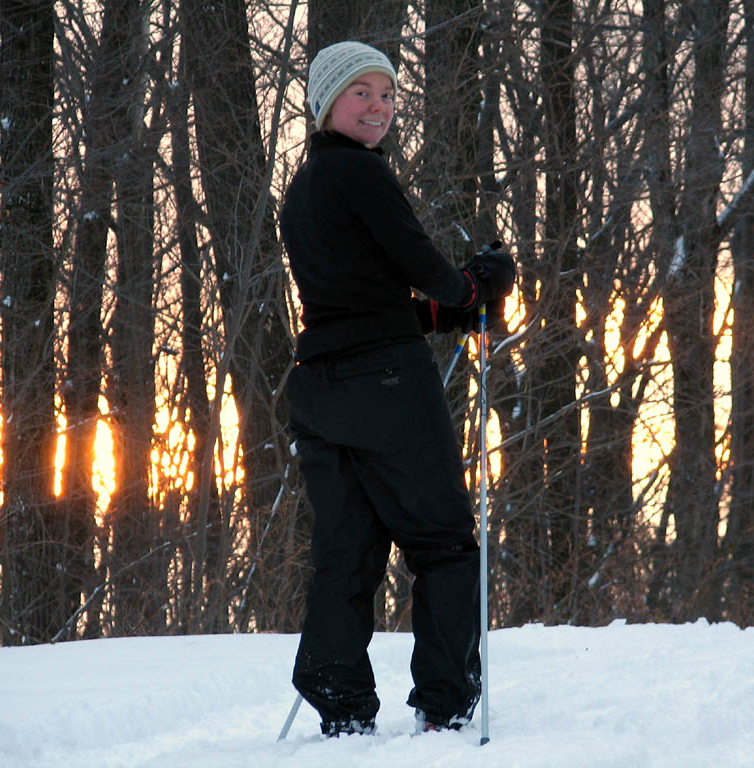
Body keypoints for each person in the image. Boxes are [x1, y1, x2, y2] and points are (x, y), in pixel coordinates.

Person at [279, 40, 516, 737]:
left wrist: (444, 312)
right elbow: (424, 267)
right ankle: (443, 704)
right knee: (442, 541)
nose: (378, 107)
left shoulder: (302, 192)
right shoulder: (363, 175)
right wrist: (476, 285)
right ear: (328, 104)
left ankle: (339, 699)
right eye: (362, 94)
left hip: (319, 389)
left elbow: (361, 303)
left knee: (346, 552)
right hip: (386, 385)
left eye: (386, 95)